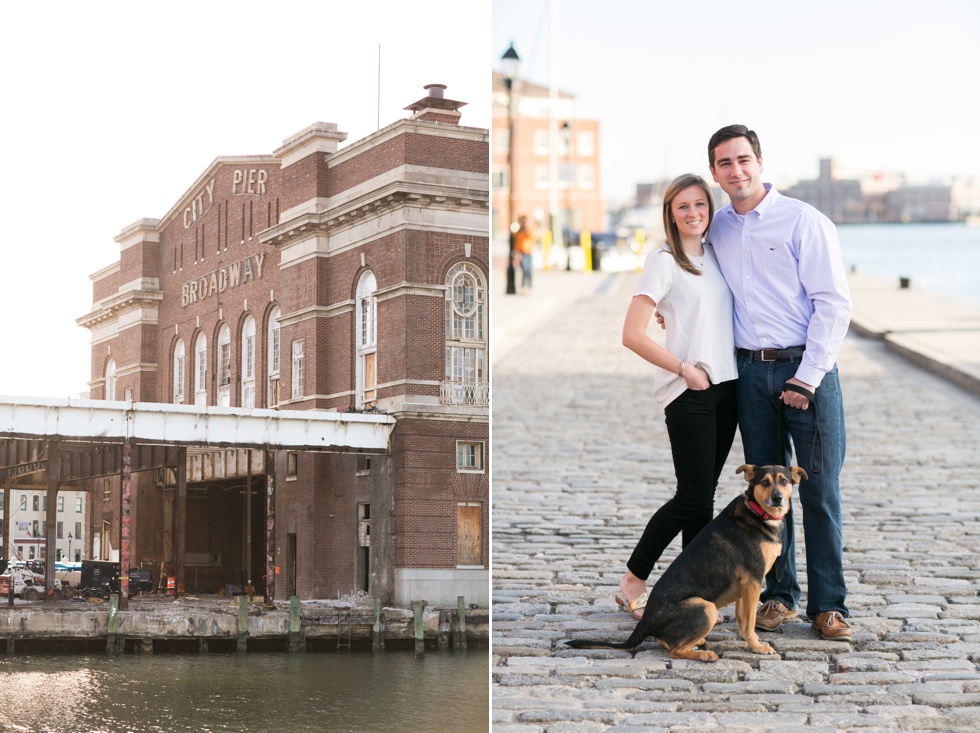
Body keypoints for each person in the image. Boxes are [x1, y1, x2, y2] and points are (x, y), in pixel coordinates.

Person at [707, 124, 853, 641]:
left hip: (806, 371)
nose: (736, 170)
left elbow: (833, 305)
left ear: (760, 163)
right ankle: (778, 596)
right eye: (725, 163)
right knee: (766, 496)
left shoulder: (803, 222)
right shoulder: (717, 228)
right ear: (715, 173)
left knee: (819, 493)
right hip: (750, 372)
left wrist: (807, 379)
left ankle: (830, 607)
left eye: (743, 160)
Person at [616, 174, 738, 622]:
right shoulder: (664, 260)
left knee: (703, 500)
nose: (693, 214)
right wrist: (684, 368)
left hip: (729, 389)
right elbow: (631, 334)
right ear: (670, 213)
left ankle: (693, 591)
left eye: (700, 205)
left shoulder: (716, 257)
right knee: (690, 497)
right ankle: (633, 580)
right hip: (690, 392)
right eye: (682, 207)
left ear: (711, 208)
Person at [512, 215, 535, 293]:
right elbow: (517, 243)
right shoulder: (519, 232)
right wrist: (516, 253)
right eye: (523, 221)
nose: (524, 223)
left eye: (525, 221)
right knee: (524, 270)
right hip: (522, 253)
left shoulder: (529, 230)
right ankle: (523, 287)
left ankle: (529, 287)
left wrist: (526, 227)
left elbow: (532, 236)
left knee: (529, 270)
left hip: (529, 252)